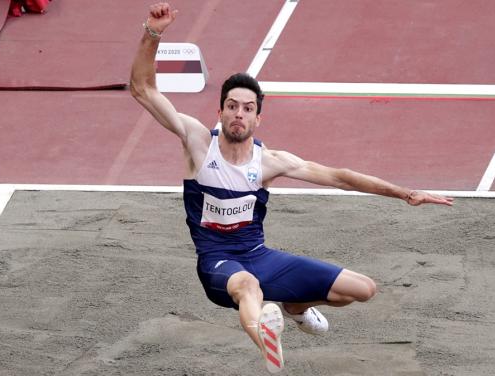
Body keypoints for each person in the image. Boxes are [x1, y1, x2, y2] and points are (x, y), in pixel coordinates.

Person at [130, 3, 454, 373]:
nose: (239, 113)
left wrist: (405, 193)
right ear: (220, 112)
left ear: (257, 117)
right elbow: (142, 89)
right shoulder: (197, 143)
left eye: (247, 108)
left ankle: (295, 308)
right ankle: (269, 343)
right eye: (232, 106)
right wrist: (153, 33)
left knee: (362, 289)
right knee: (248, 286)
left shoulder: (270, 162)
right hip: (219, 265)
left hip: (260, 255)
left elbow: (340, 177)